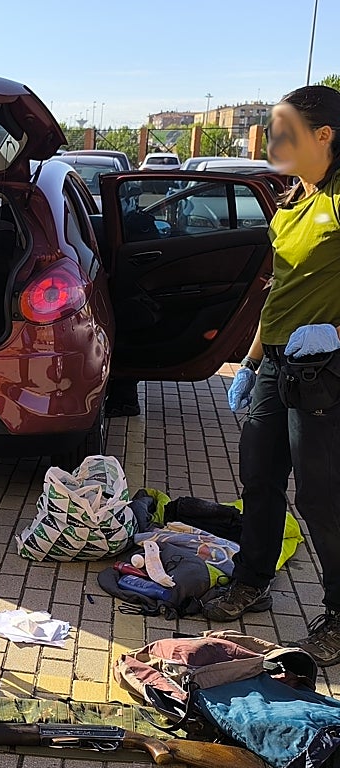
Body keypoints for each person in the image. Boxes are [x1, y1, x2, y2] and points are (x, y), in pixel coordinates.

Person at [203, 85, 340, 666]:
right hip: (276, 361)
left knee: (319, 495)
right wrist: (252, 359)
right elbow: (279, 290)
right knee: (258, 476)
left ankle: (339, 613)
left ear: (324, 135)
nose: (274, 142)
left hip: (325, 366)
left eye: (284, 131)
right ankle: (252, 579)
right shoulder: (297, 197)